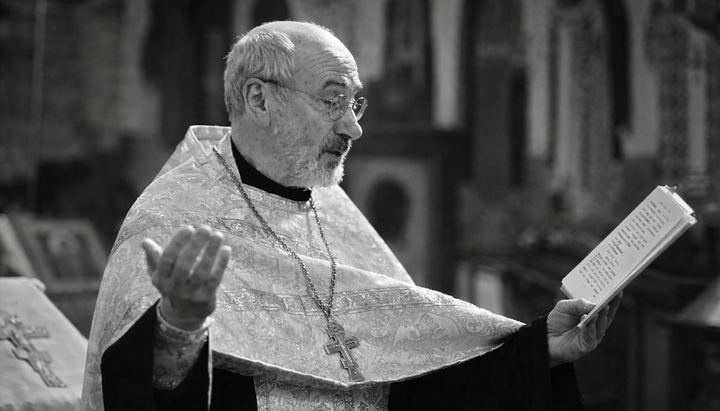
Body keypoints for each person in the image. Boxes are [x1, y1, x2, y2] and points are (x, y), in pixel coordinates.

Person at [81, 20, 621, 410]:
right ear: (259, 99)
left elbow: (415, 373)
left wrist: (537, 352)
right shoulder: (172, 219)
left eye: (355, 103)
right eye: (332, 100)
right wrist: (178, 326)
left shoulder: (334, 214)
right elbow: (134, 388)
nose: (352, 127)